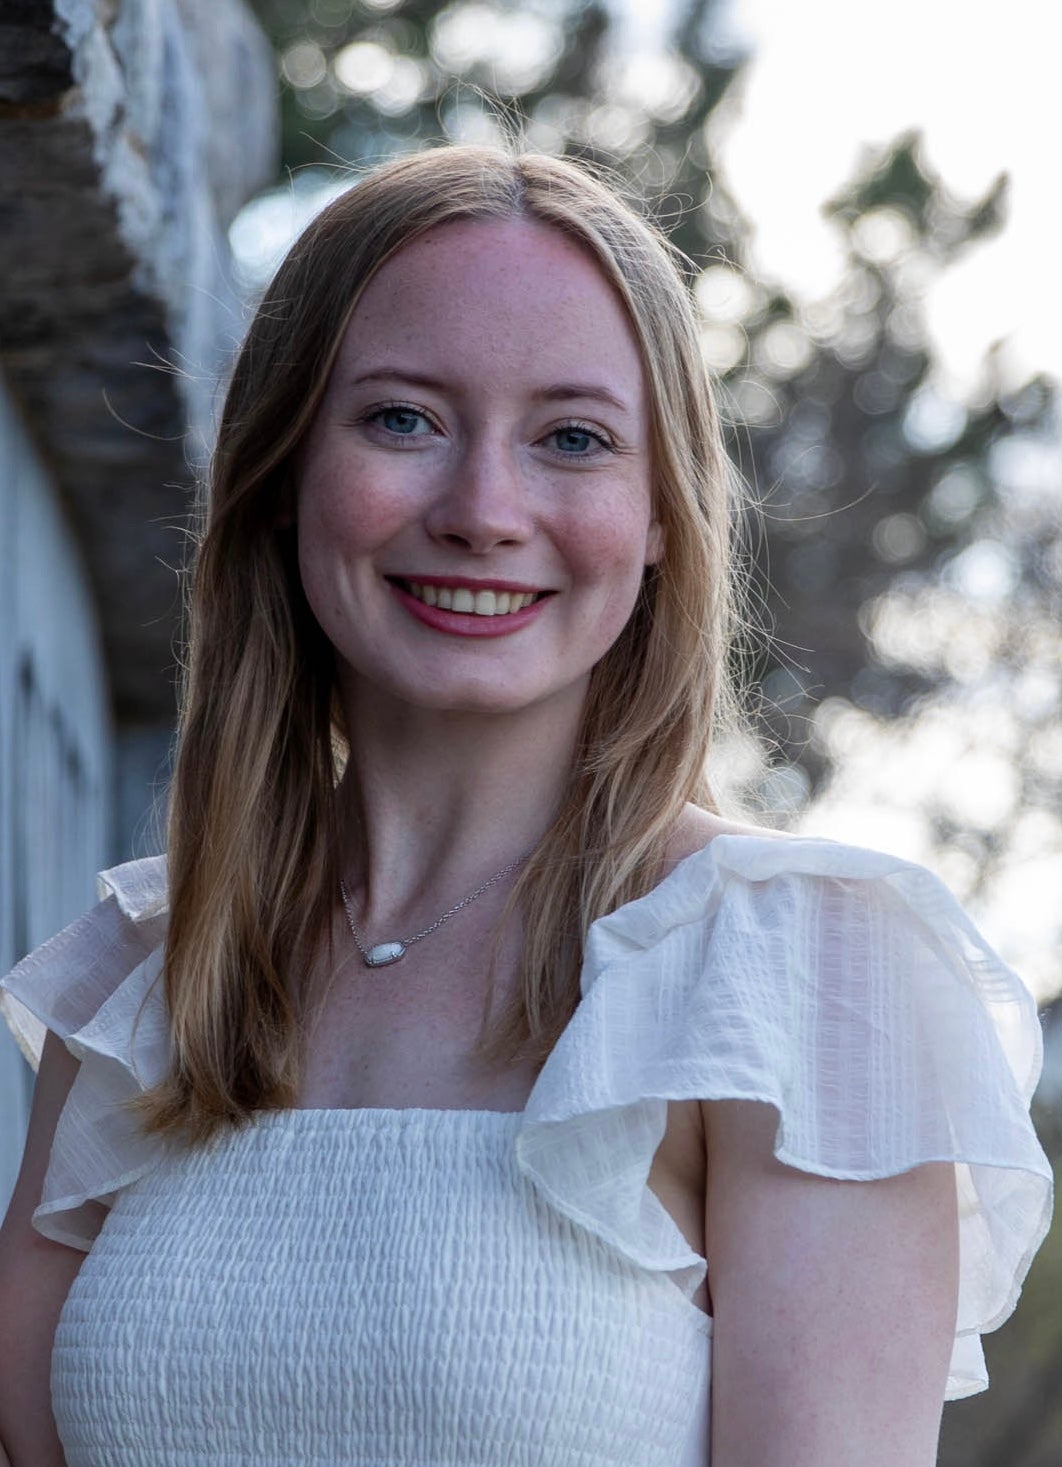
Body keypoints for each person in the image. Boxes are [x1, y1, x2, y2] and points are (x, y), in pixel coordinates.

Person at [0, 144, 1052, 1467]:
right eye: (401, 420)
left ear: (662, 510)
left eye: (572, 439)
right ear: (280, 471)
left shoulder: (797, 969)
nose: (484, 511)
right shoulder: (146, 977)